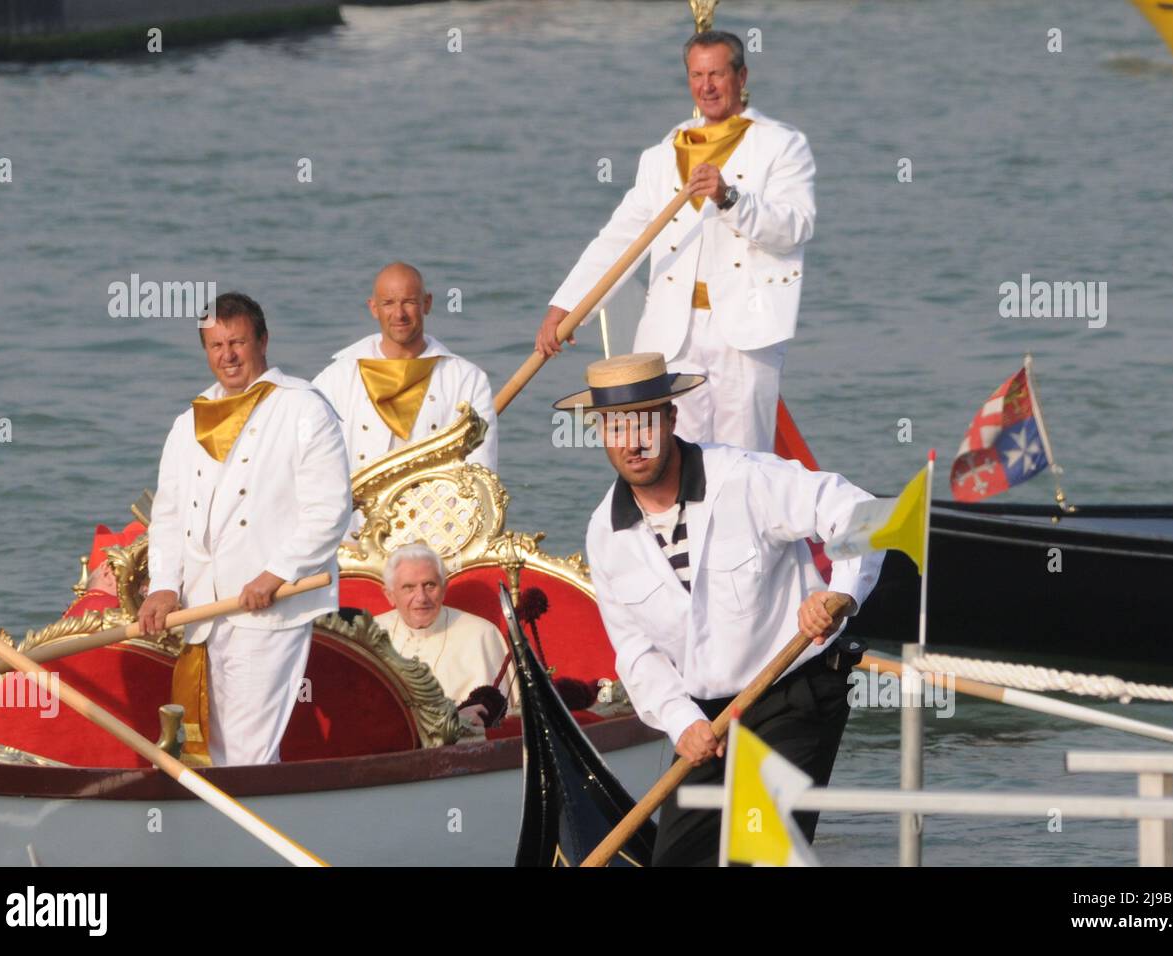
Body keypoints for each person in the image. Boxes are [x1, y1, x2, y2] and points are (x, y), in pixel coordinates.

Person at [558, 352, 884, 866]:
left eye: (645, 421)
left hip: (793, 694)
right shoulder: (605, 535)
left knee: (756, 857)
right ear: (601, 432)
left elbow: (859, 512)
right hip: (708, 721)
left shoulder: (743, 477)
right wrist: (681, 721)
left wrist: (840, 594)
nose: (633, 440)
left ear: (670, 419)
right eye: (617, 425)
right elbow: (636, 652)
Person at [536, 31, 815, 453]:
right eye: (697, 75)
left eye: (718, 74)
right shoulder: (663, 155)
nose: (707, 86)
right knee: (673, 455)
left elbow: (794, 228)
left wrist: (729, 198)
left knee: (744, 462)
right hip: (671, 334)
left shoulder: (781, 145)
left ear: (741, 76)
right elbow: (619, 239)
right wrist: (566, 307)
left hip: (744, 334)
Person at [139, 292, 351, 766]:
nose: (227, 356)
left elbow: (330, 509)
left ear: (263, 340)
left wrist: (275, 573)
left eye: (237, 342)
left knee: (247, 746)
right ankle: (230, 827)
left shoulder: (303, 408)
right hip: (201, 610)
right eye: (215, 345)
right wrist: (165, 586)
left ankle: (247, 824)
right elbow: (169, 515)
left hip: (267, 608)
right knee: (210, 741)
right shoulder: (187, 422)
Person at [314, 262, 498, 478]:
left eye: (409, 302)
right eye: (388, 303)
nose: (399, 314)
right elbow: (314, 462)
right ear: (374, 308)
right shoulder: (336, 379)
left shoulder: (466, 379)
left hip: (436, 510)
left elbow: (479, 471)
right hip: (354, 512)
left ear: (427, 304)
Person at [373, 543, 517, 732]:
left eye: (430, 585)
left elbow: (499, 723)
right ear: (390, 595)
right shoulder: (369, 634)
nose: (421, 597)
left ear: (444, 588)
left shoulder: (481, 635)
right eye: (408, 588)